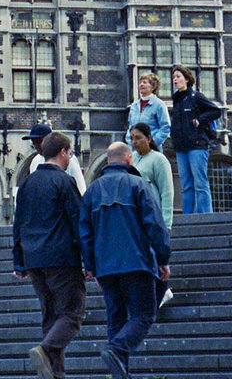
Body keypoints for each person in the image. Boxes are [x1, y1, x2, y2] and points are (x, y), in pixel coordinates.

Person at [79, 142, 171, 379]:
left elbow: (85, 234)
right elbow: (154, 225)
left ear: (109, 161)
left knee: (116, 320)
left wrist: (91, 267)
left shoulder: (92, 191)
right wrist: (163, 258)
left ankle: (120, 371)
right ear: (129, 159)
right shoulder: (137, 184)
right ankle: (116, 350)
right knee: (144, 315)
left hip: (107, 268)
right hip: (136, 262)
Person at [13, 132, 86, 379]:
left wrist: (19, 260)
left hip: (34, 259)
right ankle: (46, 349)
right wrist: (90, 260)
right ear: (63, 152)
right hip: (61, 258)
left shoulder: (26, 184)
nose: (70, 158)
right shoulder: (64, 182)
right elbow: (79, 223)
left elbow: (18, 223)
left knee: (50, 317)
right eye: (70, 153)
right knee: (72, 314)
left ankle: (55, 374)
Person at [130, 121, 174, 307]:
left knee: (155, 255)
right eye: (132, 138)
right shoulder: (132, 158)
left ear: (148, 138)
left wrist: (166, 222)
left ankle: (163, 290)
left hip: (153, 218)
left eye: (138, 138)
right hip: (137, 218)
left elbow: (167, 191)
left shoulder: (159, 159)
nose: (134, 142)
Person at [170, 65, 221, 214]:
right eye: (173, 77)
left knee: (200, 182)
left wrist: (200, 119)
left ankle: (206, 217)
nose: (175, 80)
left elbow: (215, 110)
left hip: (197, 145)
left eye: (178, 76)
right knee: (186, 185)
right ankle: (188, 217)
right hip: (181, 147)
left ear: (186, 79)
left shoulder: (195, 96)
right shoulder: (177, 100)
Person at [24, 123, 86, 196]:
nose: (36, 146)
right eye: (34, 142)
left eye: (39, 141)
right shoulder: (35, 160)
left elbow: (80, 188)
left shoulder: (68, 159)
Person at [125, 73, 170, 151]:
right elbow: (130, 127)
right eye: (140, 82)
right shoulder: (134, 106)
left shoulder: (159, 105)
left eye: (145, 82)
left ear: (153, 87)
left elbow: (165, 127)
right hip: (134, 150)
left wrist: (151, 143)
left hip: (151, 150)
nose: (141, 84)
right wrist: (130, 141)